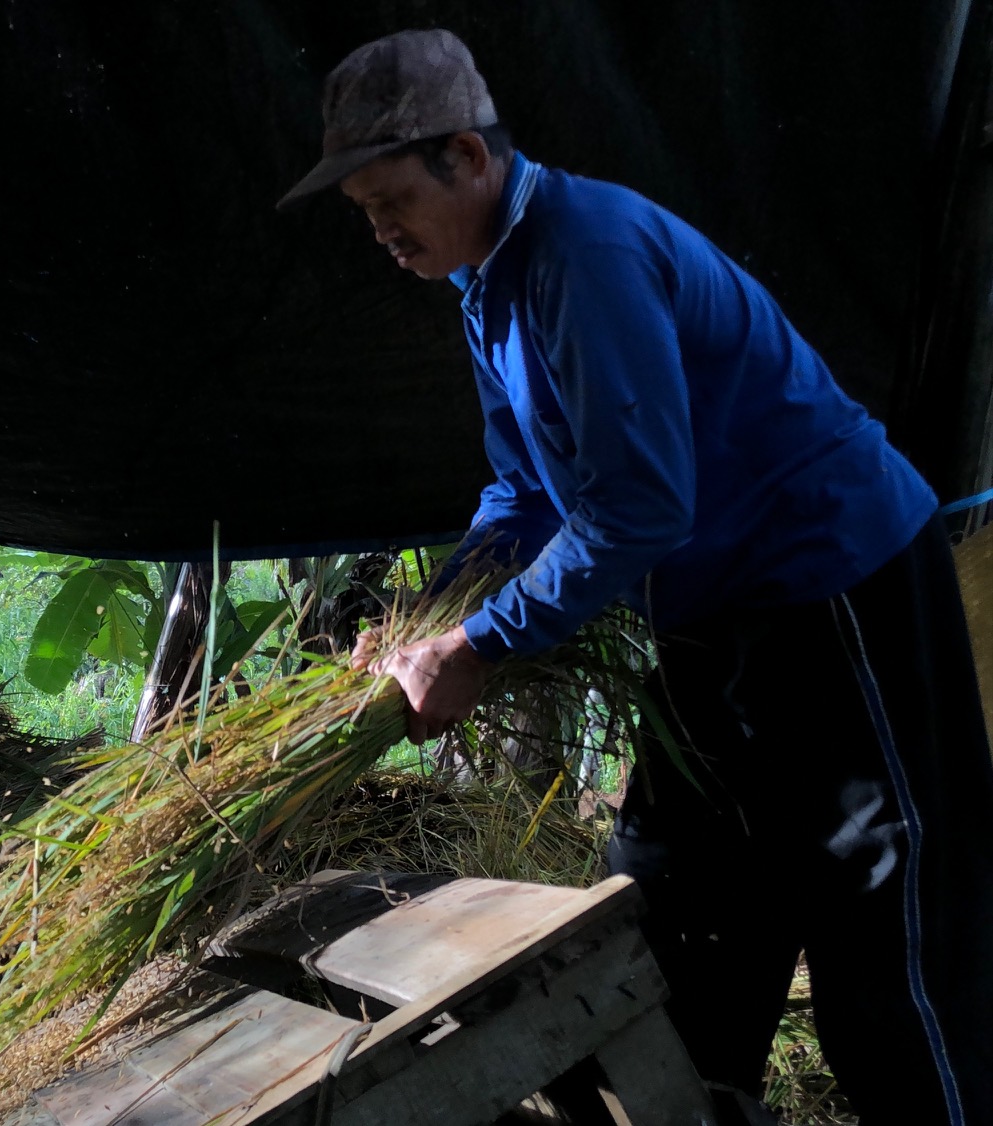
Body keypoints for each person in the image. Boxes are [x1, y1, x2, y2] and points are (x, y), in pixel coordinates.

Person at [280, 27, 993, 1125]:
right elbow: (524, 493)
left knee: (884, 931)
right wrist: (431, 616)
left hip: (832, 588)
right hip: (713, 615)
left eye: (389, 200)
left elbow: (638, 510)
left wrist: (480, 647)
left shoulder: (582, 254)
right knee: (675, 901)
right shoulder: (489, 281)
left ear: (465, 157)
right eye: (362, 211)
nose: (378, 230)